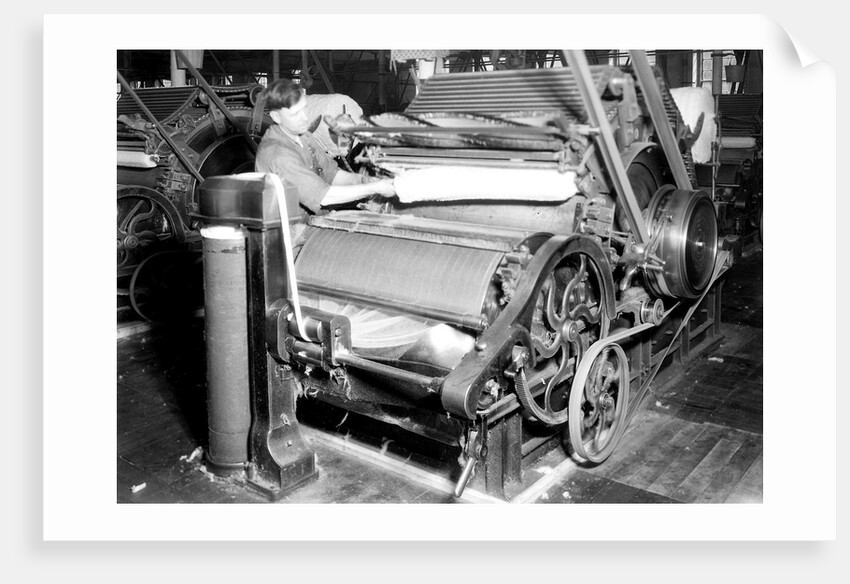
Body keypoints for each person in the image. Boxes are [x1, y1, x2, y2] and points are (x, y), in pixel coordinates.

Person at [255, 78, 396, 220]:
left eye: (304, 109)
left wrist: (368, 181)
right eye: (295, 114)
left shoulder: (304, 136)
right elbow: (324, 197)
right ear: (276, 117)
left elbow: (332, 174)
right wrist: (375, 188)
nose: (304, 118)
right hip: (288, 227)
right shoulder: (277, 153)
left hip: (309, 219)